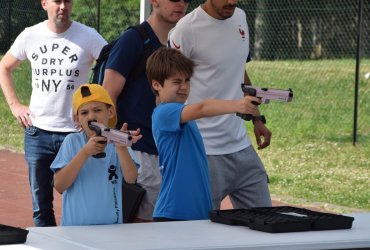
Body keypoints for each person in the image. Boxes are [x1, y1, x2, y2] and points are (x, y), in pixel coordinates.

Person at [0, 0, 107, 226]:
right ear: (44, 4)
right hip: (38, 132)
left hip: (75, 133)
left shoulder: (88, 36)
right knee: (41, 207)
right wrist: (15, 105)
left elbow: (112, 67)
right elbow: (4, 67)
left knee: (81, 197)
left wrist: (93, 112)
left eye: (67, 1)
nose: (62, 6)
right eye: (57, 1)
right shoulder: (31, 35)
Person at [168, 0, 272, 210]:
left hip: (241, 147)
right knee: (203, 233)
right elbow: (169, 87)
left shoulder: (240, 17)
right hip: (203, 151)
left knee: (266, 223)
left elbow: (239, 71)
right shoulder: (186, 29)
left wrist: (256, 118)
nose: (232, 1)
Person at [146, 47, 262, 221]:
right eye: (177, 82)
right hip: (173, 214)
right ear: (156, 85)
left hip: (197, 214)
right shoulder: (164, 113)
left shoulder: (180, 114)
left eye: (187, 80)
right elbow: (203, 108)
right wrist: (237, 105)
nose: (184, 87)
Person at [102, 0, 190, 221]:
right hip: (138, 150)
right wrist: (116, 142)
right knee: (141, 227)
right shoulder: (133, 39)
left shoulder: (171, 43)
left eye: (186, 0)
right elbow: (107, 95)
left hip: (160, 150)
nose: (181, 4)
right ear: (154, 1)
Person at [50, 83, 141, 226]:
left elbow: (131, 178)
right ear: (77, 119)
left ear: (110, 112)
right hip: (75, 229)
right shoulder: (72, 142)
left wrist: (122, 149)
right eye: (84, 113)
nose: (91, 116)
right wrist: (85, 152)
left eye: (97, 110)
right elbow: (60, 185)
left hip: (111, 227)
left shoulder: (118, 140)